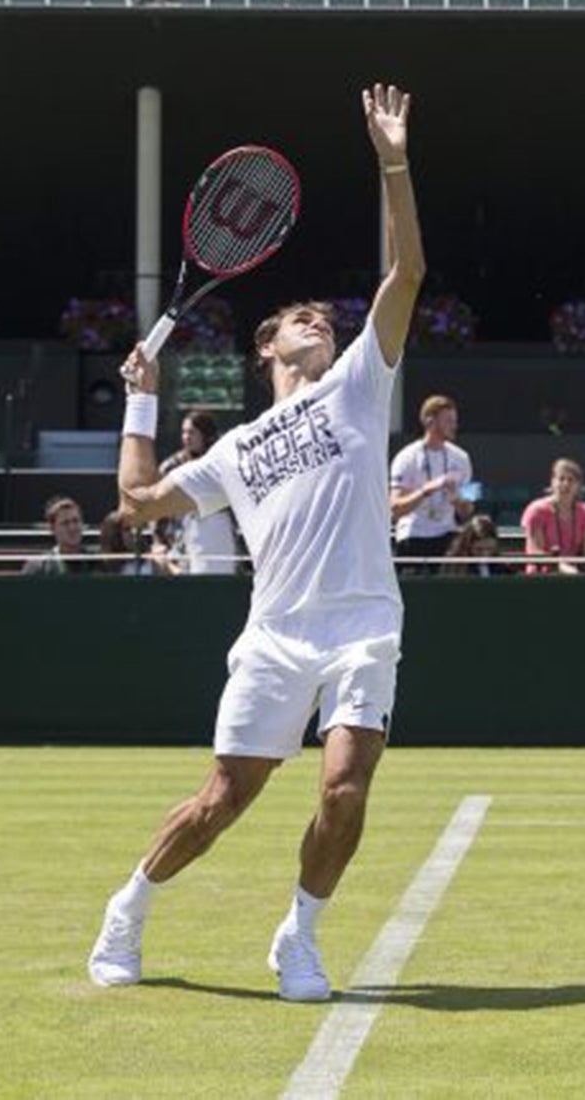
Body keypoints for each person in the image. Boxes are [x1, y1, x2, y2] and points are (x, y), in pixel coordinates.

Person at [85, 81, 423, 1003]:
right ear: (269, 348)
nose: (323, 324)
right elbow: (139, 499)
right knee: (222, 801)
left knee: (345, 788)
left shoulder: (358, 385)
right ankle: (129, 907)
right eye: (303, 321)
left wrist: (392, 160)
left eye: (327, 321)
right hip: (274, 635)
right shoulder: (234, 450)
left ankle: (300, 939)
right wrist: (140, 398)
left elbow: (406, 278)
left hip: (362, 623)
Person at [389, 393, 473, 571]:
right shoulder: (406, 457)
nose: (454, 426)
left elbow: (469, 511)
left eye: (454, 420)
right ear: (430, 422)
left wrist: (458, 502)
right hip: (413, 536)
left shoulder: (462, 458)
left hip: (447, 535)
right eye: (448, 421)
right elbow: (395, 509)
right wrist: (426, 490)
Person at [162, 411, 239, 574]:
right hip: (181, 537)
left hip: (220, 536)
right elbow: (158, 509)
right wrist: (158, 543)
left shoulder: (222, 463)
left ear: (206, 434)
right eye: (184, 432)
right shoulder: (171, 467)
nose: (186, 437)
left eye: (192, 432)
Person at [522, 458, 585, 574]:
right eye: (561, 479)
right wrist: (564, 568)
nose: (566, 484)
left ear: (578, 486)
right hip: (540, 577)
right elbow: (536, 552)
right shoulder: (537, 510)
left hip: (573, 577)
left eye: (571, 480)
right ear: (553, 482)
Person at [21, 495, 92, 575]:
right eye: (65, 523)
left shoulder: (98, 563)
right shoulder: (37, 568)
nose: (72, 528)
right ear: (52, 529)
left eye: (76, 521)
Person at [98, 509, 170, 575]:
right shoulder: (125, 569)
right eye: (127, 529)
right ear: (116, 536)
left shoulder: (136, 544)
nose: (133, 532)